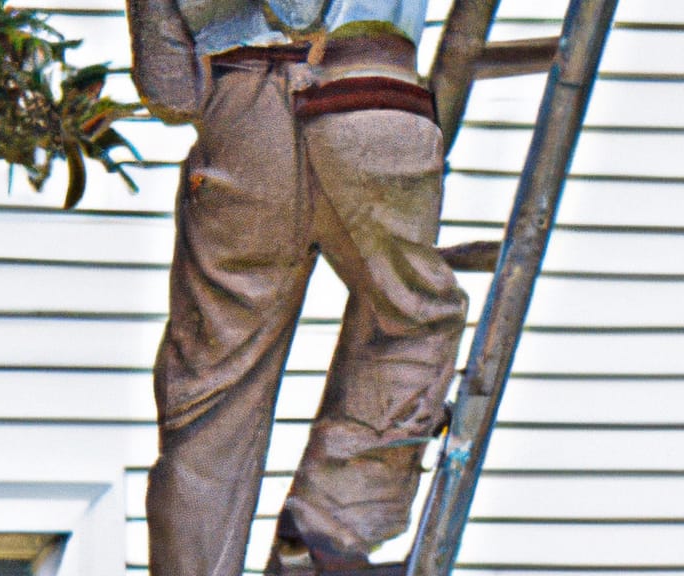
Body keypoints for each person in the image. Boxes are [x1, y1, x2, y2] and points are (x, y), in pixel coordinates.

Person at [125, 1, 468, 574]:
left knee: (213, 394)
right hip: (370, 94)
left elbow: (171, 90)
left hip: (240, 116)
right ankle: (330, 522)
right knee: (414, 315)